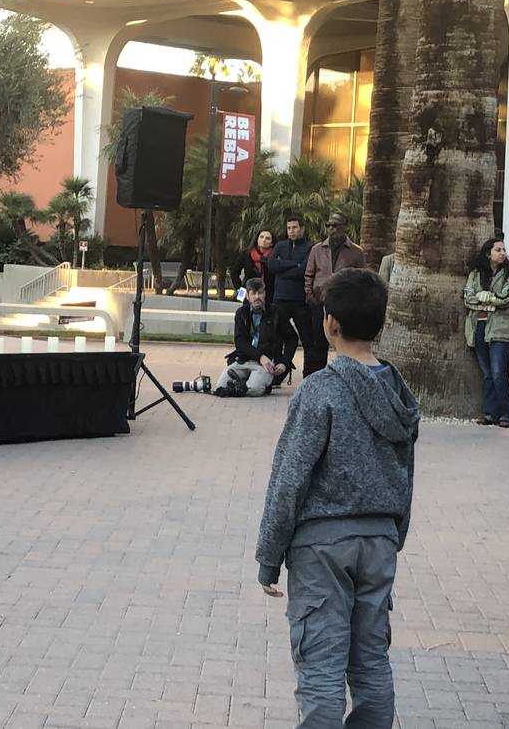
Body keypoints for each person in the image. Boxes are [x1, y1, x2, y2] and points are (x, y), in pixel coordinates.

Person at [256, 268, 419, 728]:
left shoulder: (320, 390)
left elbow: (288, 479)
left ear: (329, 324)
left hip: (322, 546)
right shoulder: (399, 392)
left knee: (322, 668)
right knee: (370, 661)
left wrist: (269, 556)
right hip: (379, 541)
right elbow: (406, 474)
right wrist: (393, 535)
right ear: (380, 325)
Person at [463, 238, 509, 428]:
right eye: (498, 250)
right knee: (487, 373)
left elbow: (507, 298)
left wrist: (488, 299)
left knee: (498, 372)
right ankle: (489, 413)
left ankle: (507, 415)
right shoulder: (476, 274)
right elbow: (468, 298)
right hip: (479, 326)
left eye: (504, 249)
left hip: (500, 330)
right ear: (488, 253)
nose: (502, 253)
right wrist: (487, 300)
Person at [303, 213, 366, 374]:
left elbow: (361, 278)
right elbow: (309, 274)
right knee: (318, 345)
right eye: (329, 225)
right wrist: (310, 295)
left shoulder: (356, 252)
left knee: (345, 342)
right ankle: (314, 378)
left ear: (344, 227)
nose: (331, 229)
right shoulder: (317, 249)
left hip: (344, 305)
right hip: (320, 303)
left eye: (336, 225)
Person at [214, 278, 297, 398]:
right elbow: (240, 342)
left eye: (260, 293)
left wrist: (284, 362)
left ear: (265, 294)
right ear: (247, 296)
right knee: (220, 387)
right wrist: (259, 356)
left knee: (254, 389)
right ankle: (242, 385)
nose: (257, 297)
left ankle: (246, 385)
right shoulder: (241, 314)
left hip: (267, 364)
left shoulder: (277, 312)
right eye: (253, 293)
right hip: (244, 360)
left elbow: (292, 338)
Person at [267, 215, 316, 376]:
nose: (291, 231)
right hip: (280, 299)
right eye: (289, 228)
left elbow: (304, 271)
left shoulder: (310, 247)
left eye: (295, 227)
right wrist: (294, 264)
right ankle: (277, 374)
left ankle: (309, 375)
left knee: (308, 341)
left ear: (302, 228)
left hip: (300, 301)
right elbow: (272, 265)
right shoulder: (280, 246)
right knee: (277, 338)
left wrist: (285, 268)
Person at [232, 228, 276, 305]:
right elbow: (234, 273)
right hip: (249, 296)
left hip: (269, 297)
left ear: (272, 243)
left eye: (267, 238)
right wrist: (240, 291)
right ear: (257, 239)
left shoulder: (275, 256)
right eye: (261, 237)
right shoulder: (246, 254)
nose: (264, 240)